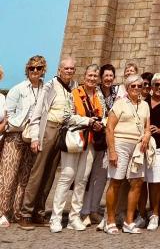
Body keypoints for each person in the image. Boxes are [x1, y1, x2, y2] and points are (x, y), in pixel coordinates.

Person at [19, 57, 89, 230]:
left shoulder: (75, 87)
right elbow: (37, 113)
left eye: (72, 69)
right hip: (48, 129)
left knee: (50, 174)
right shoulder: (50, 86)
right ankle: (25, 213)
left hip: (63, 131)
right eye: (66, 68)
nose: (69, 71)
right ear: (59, 70)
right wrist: (35, 137)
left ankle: (39, 212)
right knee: (37, 173)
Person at [49, 64, 104, 232]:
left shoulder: (99, 96)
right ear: (84, 76)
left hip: (90, 142)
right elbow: (66, 117)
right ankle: (56, 218)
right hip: (74, 139)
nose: (92, 78)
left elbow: (104, 115)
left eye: (95, 76)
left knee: (82, 180)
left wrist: (100, 124)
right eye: (90, 75)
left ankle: (74, 217)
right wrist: (87, 121)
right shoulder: (73, 94)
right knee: (67, 176)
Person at [0, 55, 46, 226]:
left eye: (38, 68)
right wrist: (23, 123)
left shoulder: (45, 89)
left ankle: (16, 211)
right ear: (27, 69)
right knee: (8, 175)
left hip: (33, 137)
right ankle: (2, 212)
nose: (35, 71)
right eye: (31, 68)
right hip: (15, 135)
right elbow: (8, 114)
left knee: (24, 177)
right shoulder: (18, 89)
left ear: (43, 70)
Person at [104, 74, 151, 234]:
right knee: (116, 181)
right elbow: (109, 128)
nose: (136, 89)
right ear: (127, 87)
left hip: (138, 147)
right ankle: (110, 221)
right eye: (133, 86)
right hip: (120, 144)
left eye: (139, 86)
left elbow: (147, 126)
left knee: (137, 182)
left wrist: (147, 135)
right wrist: (112, 151)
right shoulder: (120, 104)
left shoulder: (145, 105)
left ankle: (128, 221)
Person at [81, 63, 117, 228]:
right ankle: (84, 211)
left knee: (101, 177)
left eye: (111, 76)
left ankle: (94, 209)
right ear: (101, 78)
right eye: (106, 75)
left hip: (108, 140)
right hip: (94, 138)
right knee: (88, 176)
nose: (108, 78)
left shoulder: (116, 94)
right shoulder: (96, 92)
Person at [145, 73, 160, 231]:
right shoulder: (144, 102)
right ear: (152, 86)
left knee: (155, 181)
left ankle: (155, 213)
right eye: (157, 84)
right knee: (140, 182)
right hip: (143, 145)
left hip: (159, 146)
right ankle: (141, 212)